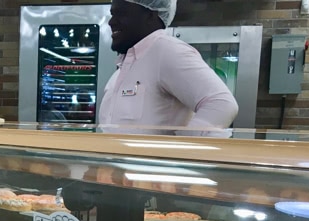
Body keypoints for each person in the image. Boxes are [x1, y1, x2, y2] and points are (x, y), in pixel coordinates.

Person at [99, 0, 238, 135]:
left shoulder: (167, 51)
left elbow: (222, 104)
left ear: (150, 15)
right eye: (112, 14)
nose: (112, 22)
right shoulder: (127, 65)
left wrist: (181, 150)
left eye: (121, 13)